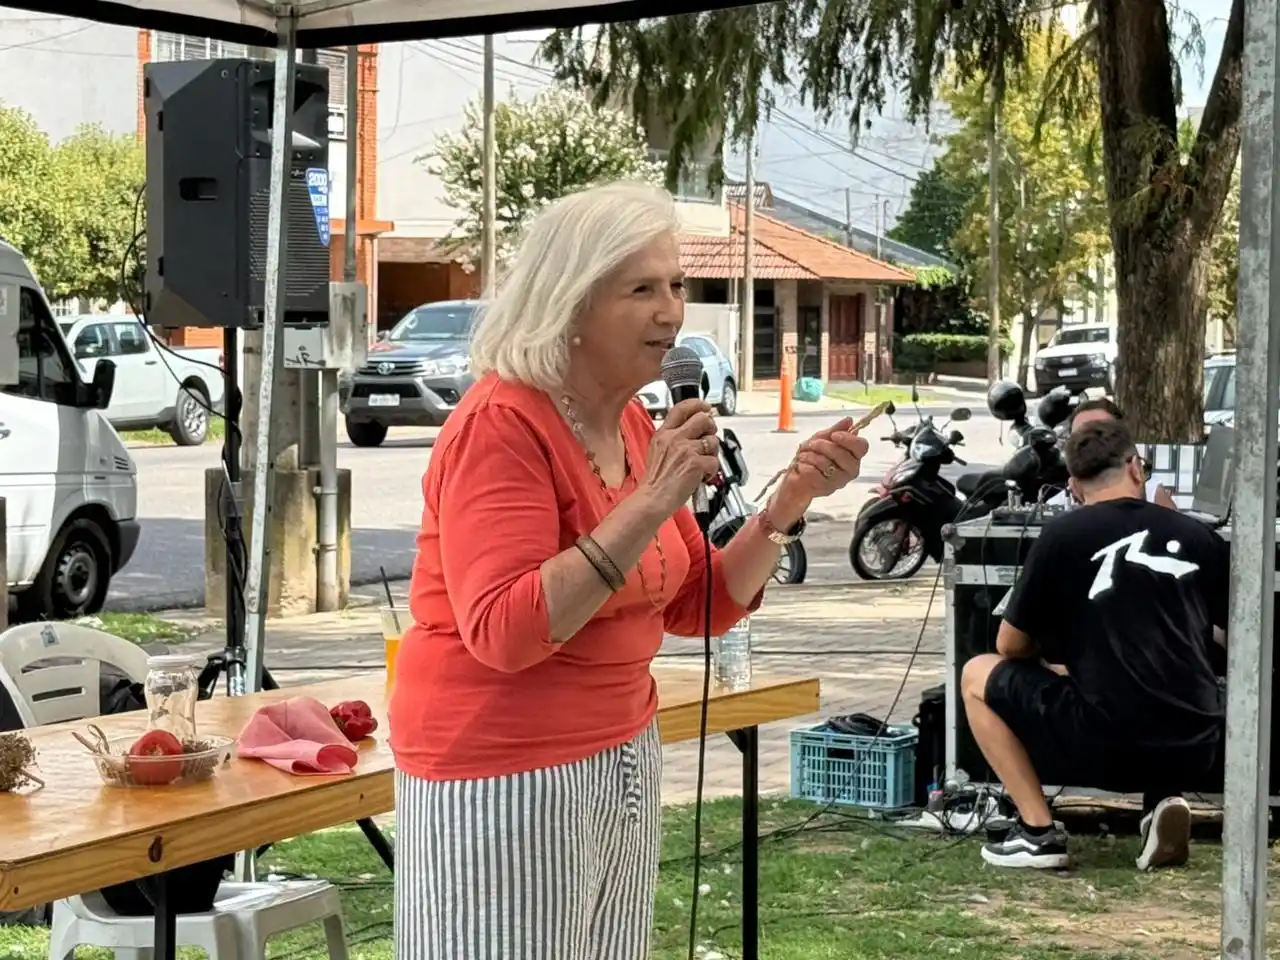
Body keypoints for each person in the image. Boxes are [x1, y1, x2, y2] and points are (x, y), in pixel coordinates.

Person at [388, 181, 869, 959]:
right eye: (641, 289)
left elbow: (700, 603)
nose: (671, 311)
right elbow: (506, 632)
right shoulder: (501, 423)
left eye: (676, 285)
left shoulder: (634, 425)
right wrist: (648, 502)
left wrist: (792, 497)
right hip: (504, 774)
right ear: (572, 306)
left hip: (621, 754)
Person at [961, 419, 1227, 871]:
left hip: (1103, 748)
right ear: (1136, 469)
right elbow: (1237, 638)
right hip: (1200, 745)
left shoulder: (1061, 537)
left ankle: (1038, 833)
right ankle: (1161, 805)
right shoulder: (1200, 537)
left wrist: (1055, 662)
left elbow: (1009, 645)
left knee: (975, 674)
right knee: (1165, 685)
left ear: (1073, 485)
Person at [1048, 397, 1178, 508]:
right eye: (1083, 438)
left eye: (1103, 434)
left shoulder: (1152, 493)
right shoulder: (1055, 505)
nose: (1094, 444)